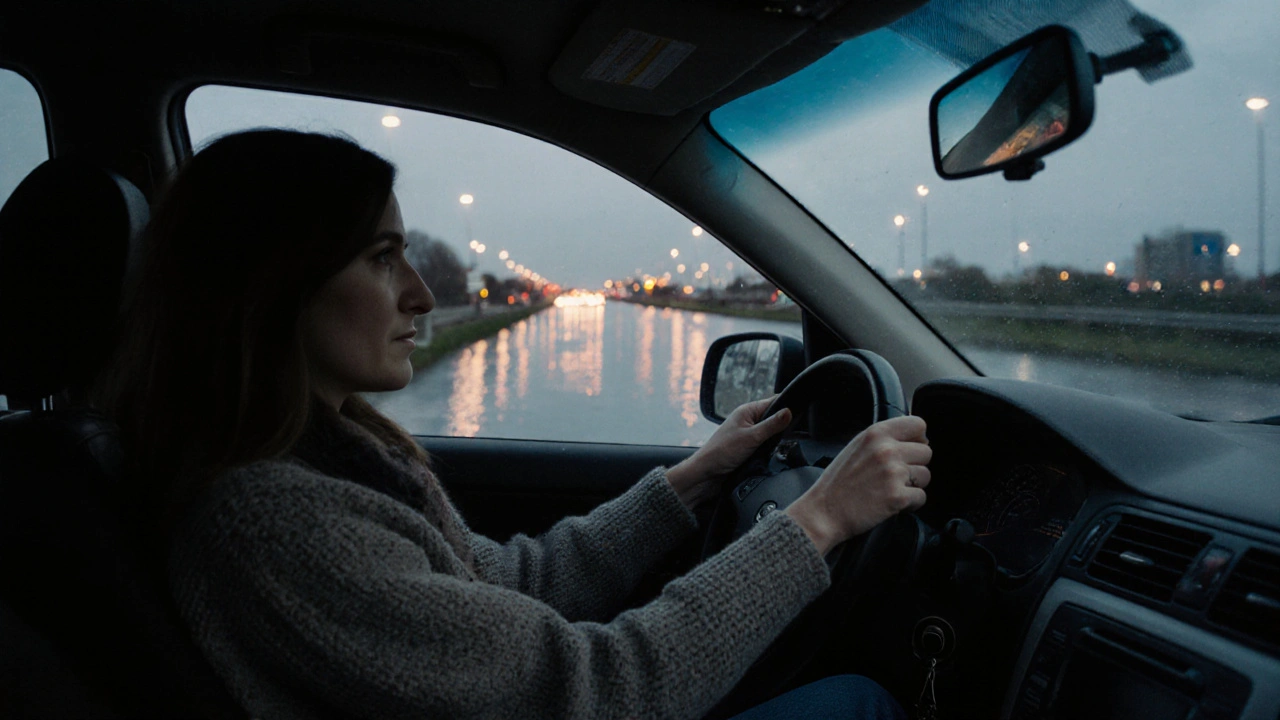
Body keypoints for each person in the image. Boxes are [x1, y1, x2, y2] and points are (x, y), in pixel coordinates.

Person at [97, 129, 932, 720]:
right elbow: (598, 691)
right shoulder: (273, 519)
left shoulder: (322, 462)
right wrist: (818, 520)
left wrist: (693, 478)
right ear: (273, 283)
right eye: (383, 259)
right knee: (861, 702)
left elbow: (509, 586)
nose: (422, 295)